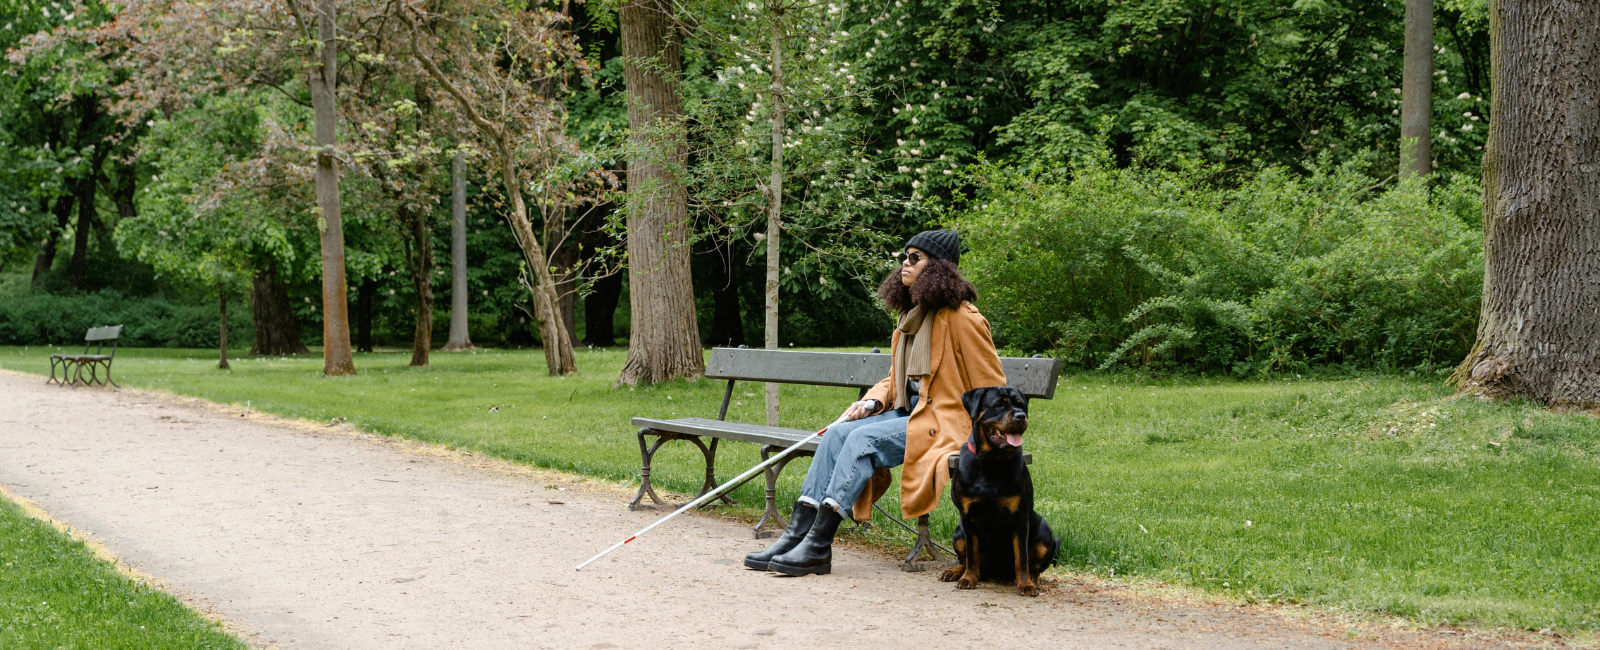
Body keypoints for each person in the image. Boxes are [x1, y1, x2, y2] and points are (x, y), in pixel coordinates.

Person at [746, 229, 1007, 576]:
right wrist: (870, 403)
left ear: (938, 269)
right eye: (905, 255)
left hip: (944, 423)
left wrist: (994, 438)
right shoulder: (909, 320)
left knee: (860, 439)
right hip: (908, 415)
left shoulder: (963, 319)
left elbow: (993, 386)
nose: (905, 263)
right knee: (839, 433)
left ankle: (819, 542)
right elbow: (892, 380)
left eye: (915, 258)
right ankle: (796, 534)